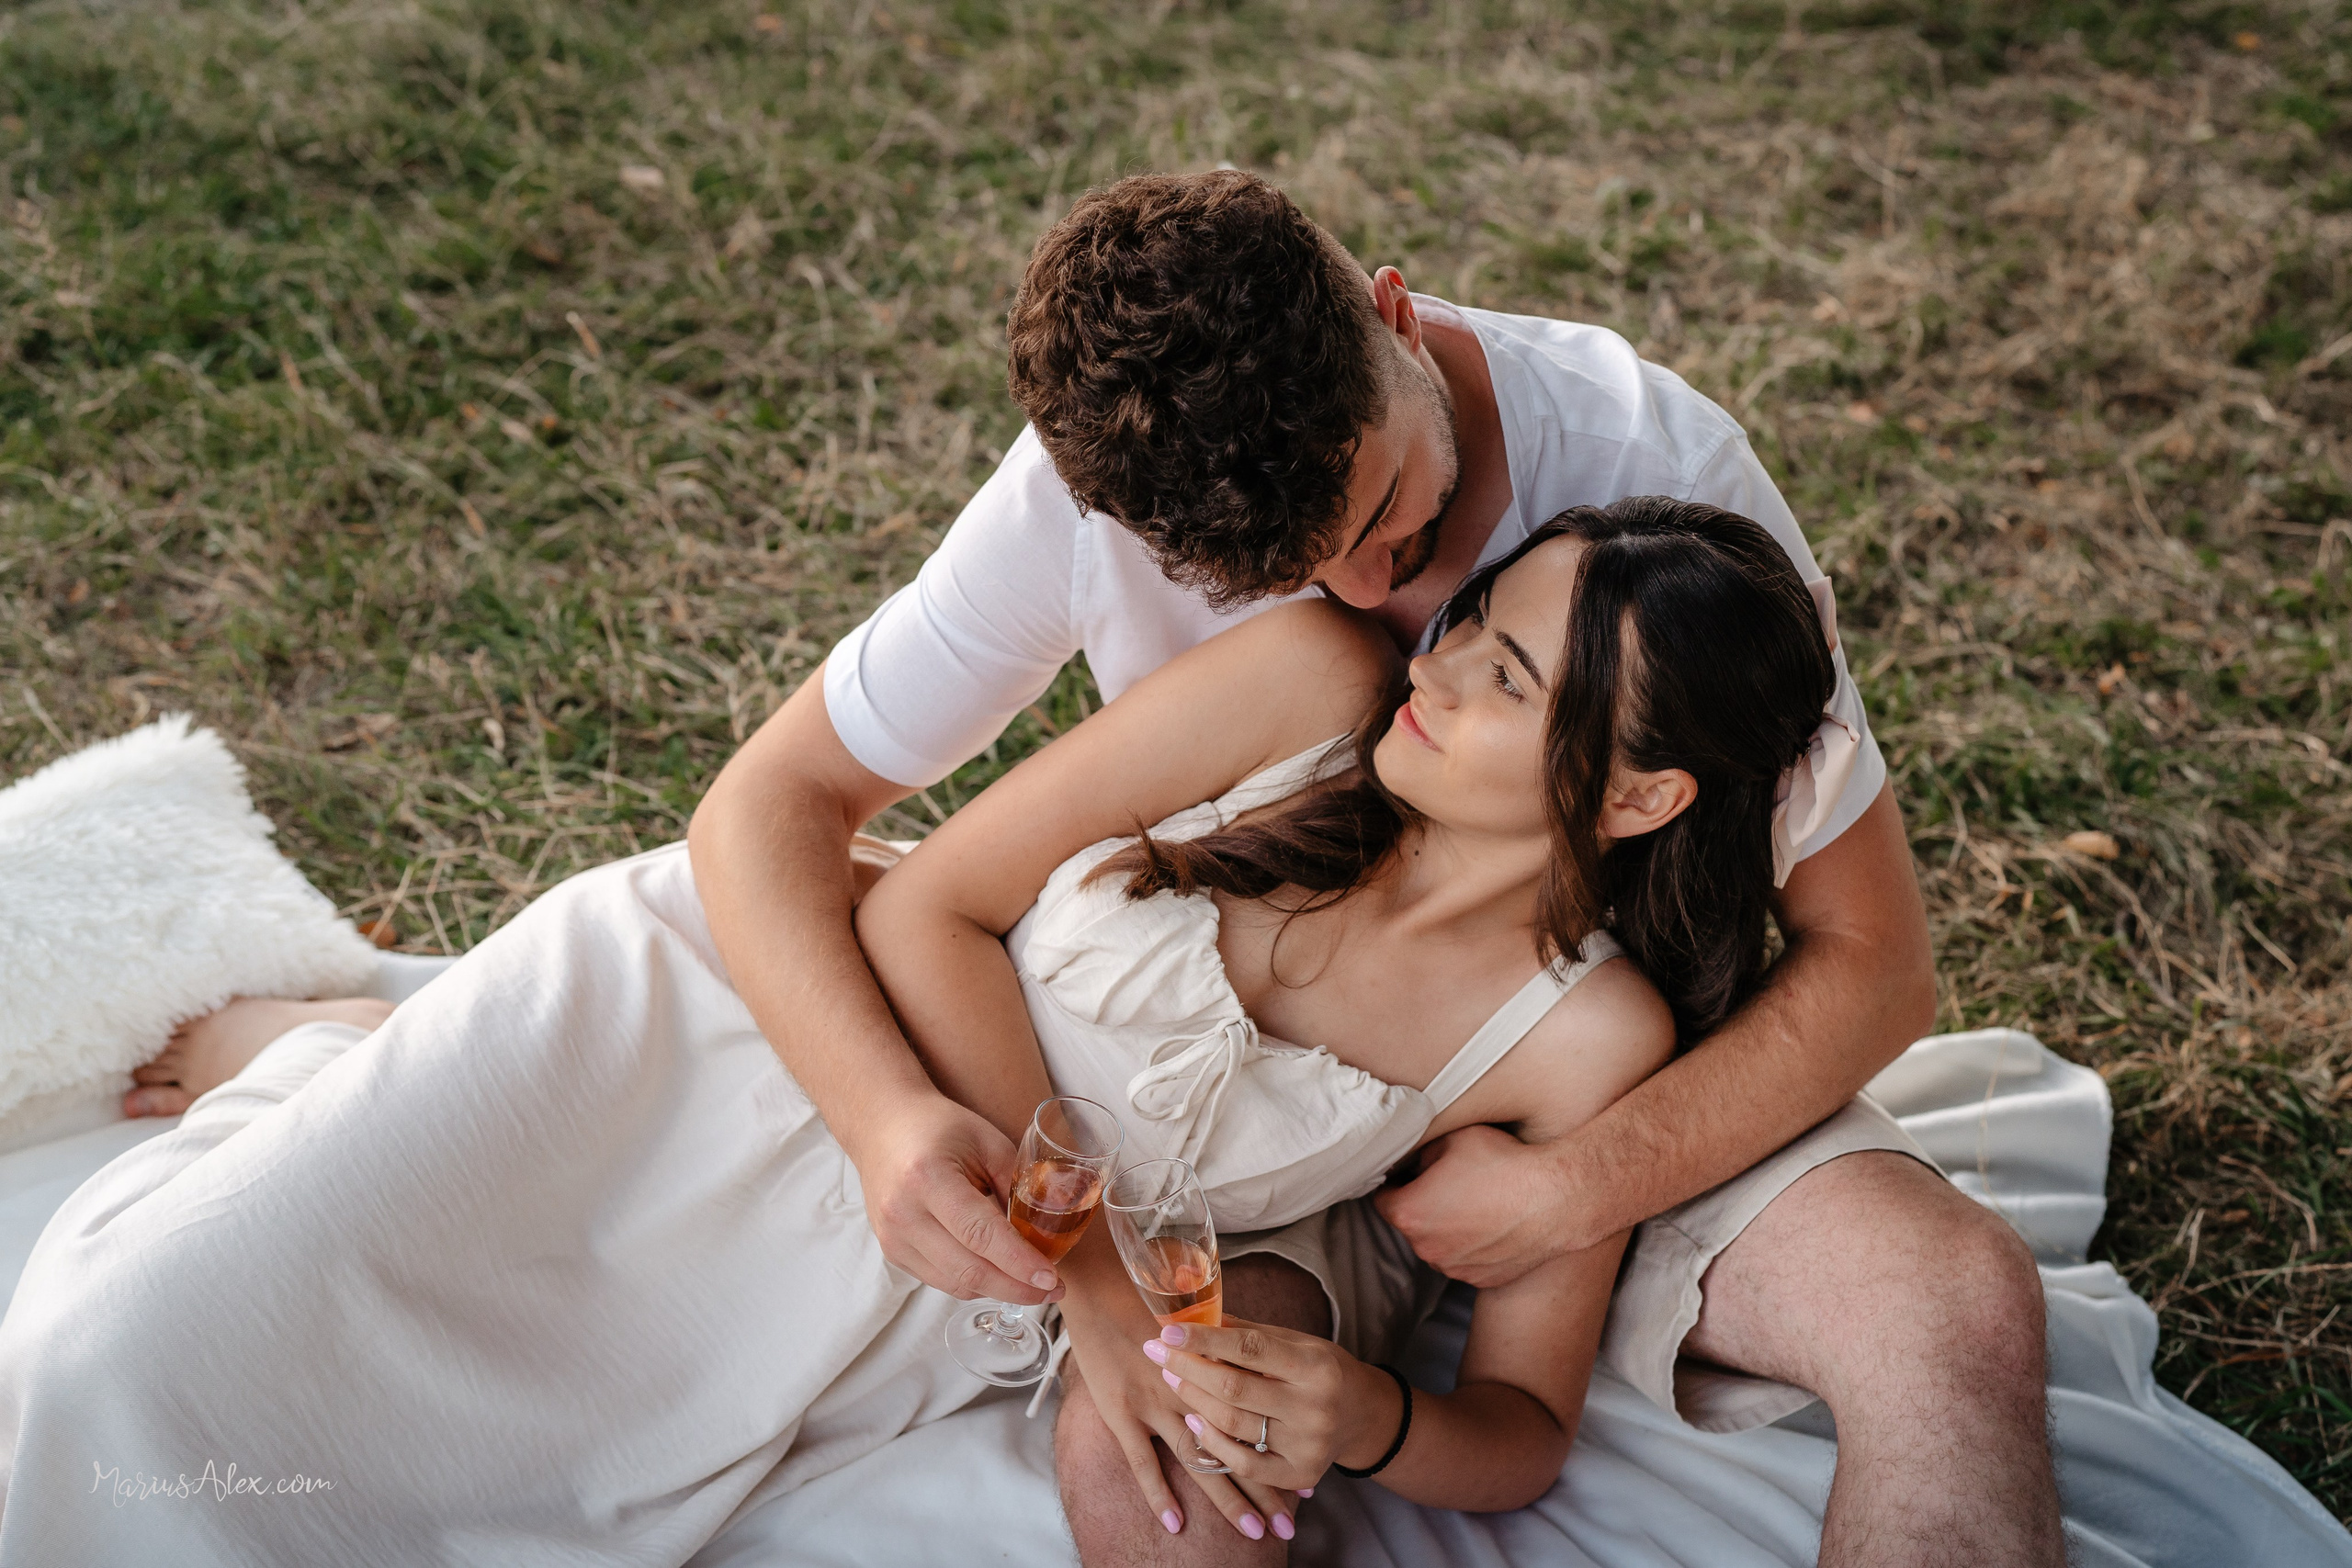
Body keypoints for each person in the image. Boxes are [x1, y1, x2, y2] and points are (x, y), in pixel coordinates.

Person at [680, 169, 2062, 1568]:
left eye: (1388, 509)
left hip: (1574, 1089)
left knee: (1946, 1310)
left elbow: (1872, 961)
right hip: (1198, 1087)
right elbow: (777, 801)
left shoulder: (1660, 484)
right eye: (1277, 575)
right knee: (1165, 1462)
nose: (1371, 599)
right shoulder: (1116, 492)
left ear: (1399, 318)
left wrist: (1573, 1187)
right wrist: (890, 1122)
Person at [14, 501, 1818, 1564]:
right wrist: (1096, 1287)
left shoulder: (1580, 1037)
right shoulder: (1312, 684)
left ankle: (340, 1051)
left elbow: (1517, 1427)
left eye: (1505, 678)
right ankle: (335, 1051)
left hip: (916, 1272)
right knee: (126, 1367)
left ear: (1641, 793)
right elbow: (920, 904)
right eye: (1472, 624)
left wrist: (1369, 1417)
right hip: (728, 1045)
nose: (1437, 666)